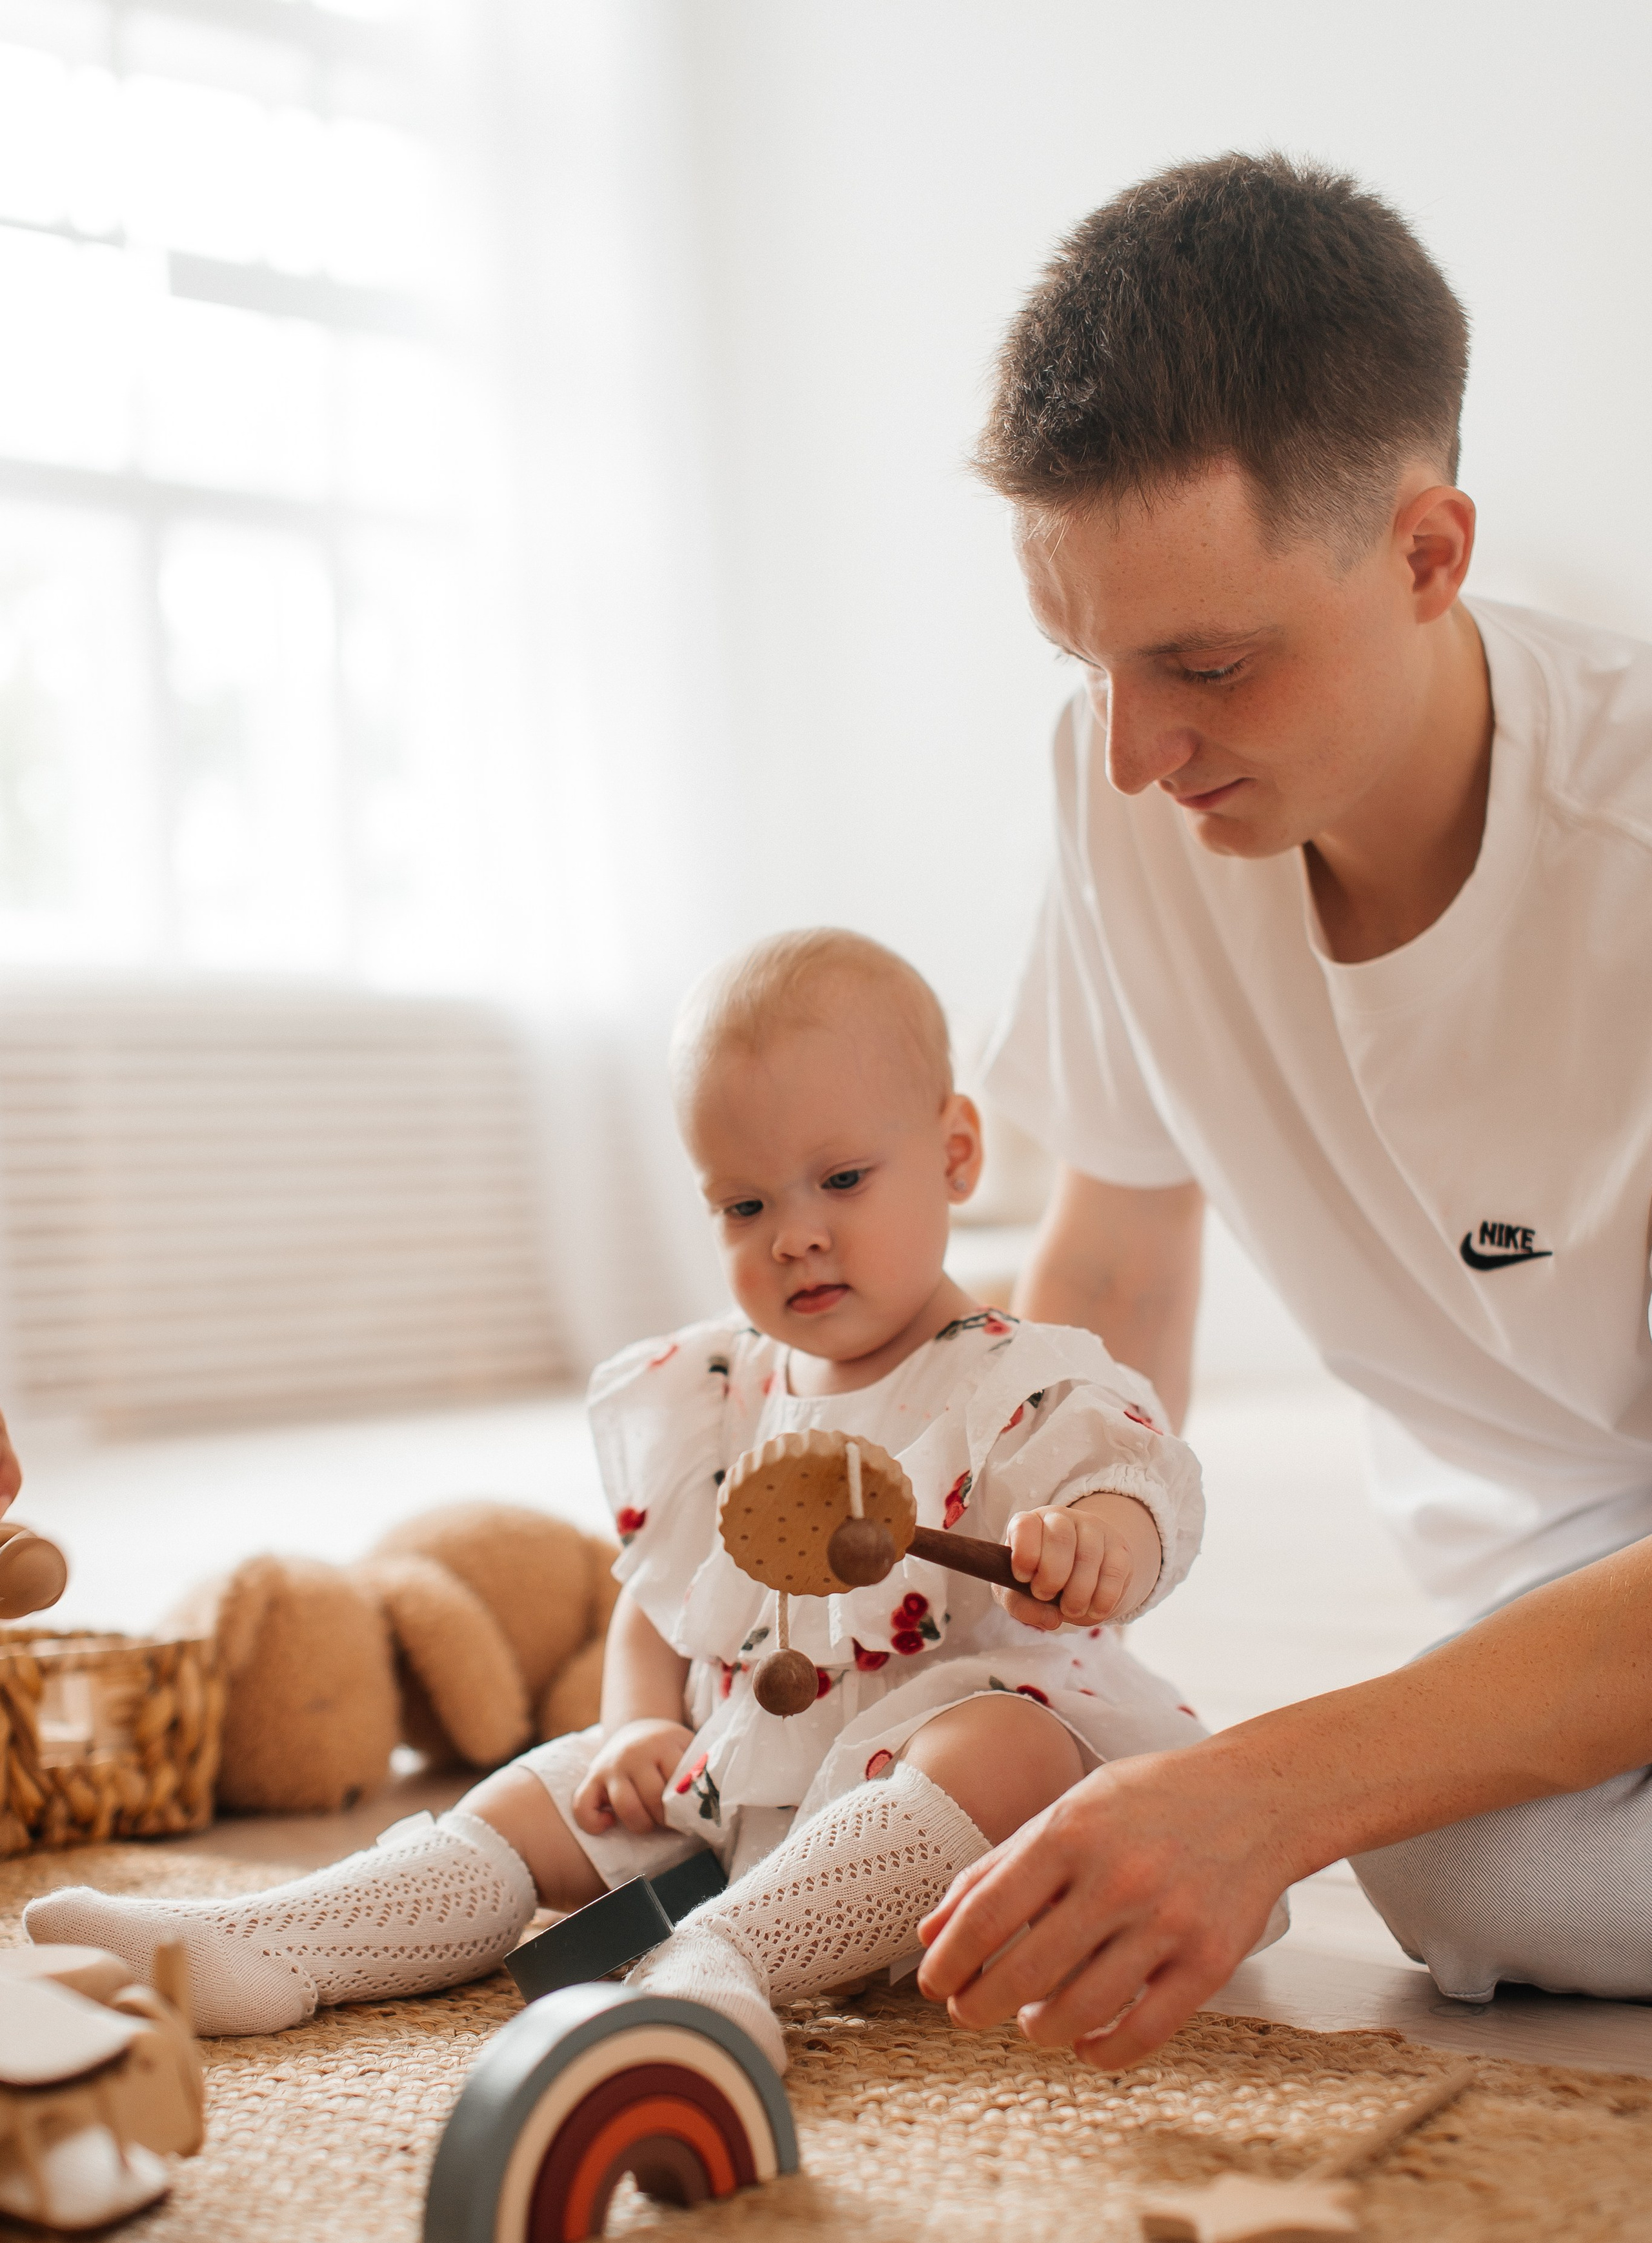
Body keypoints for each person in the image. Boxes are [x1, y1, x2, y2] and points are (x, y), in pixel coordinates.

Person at [916, 153, 1652, 2066]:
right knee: (1471, 1865)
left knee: (1447, 1863)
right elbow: (1122, 1247)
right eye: (1090, 664)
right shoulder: (1119, 779)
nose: (1142, 753)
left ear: (1427, 554)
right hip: (1546, 1579)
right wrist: (1001, 1639)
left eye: (1208, 666)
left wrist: (1270, 1794)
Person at [28, 929, 1254, 2060]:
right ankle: (284, 1941)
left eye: (841, 1180)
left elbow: (1135, 1484)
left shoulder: (1012, 1381)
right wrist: (633, 1728)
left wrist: (1100, 1543)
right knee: (538, 1789)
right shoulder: (718, 1392)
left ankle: (723, 1960)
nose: (795, 1236)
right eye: (747, 1204)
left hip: (925, 1787)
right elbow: (657, 1602)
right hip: (732, 1776)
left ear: (956, 1154)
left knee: (1006, 1743)